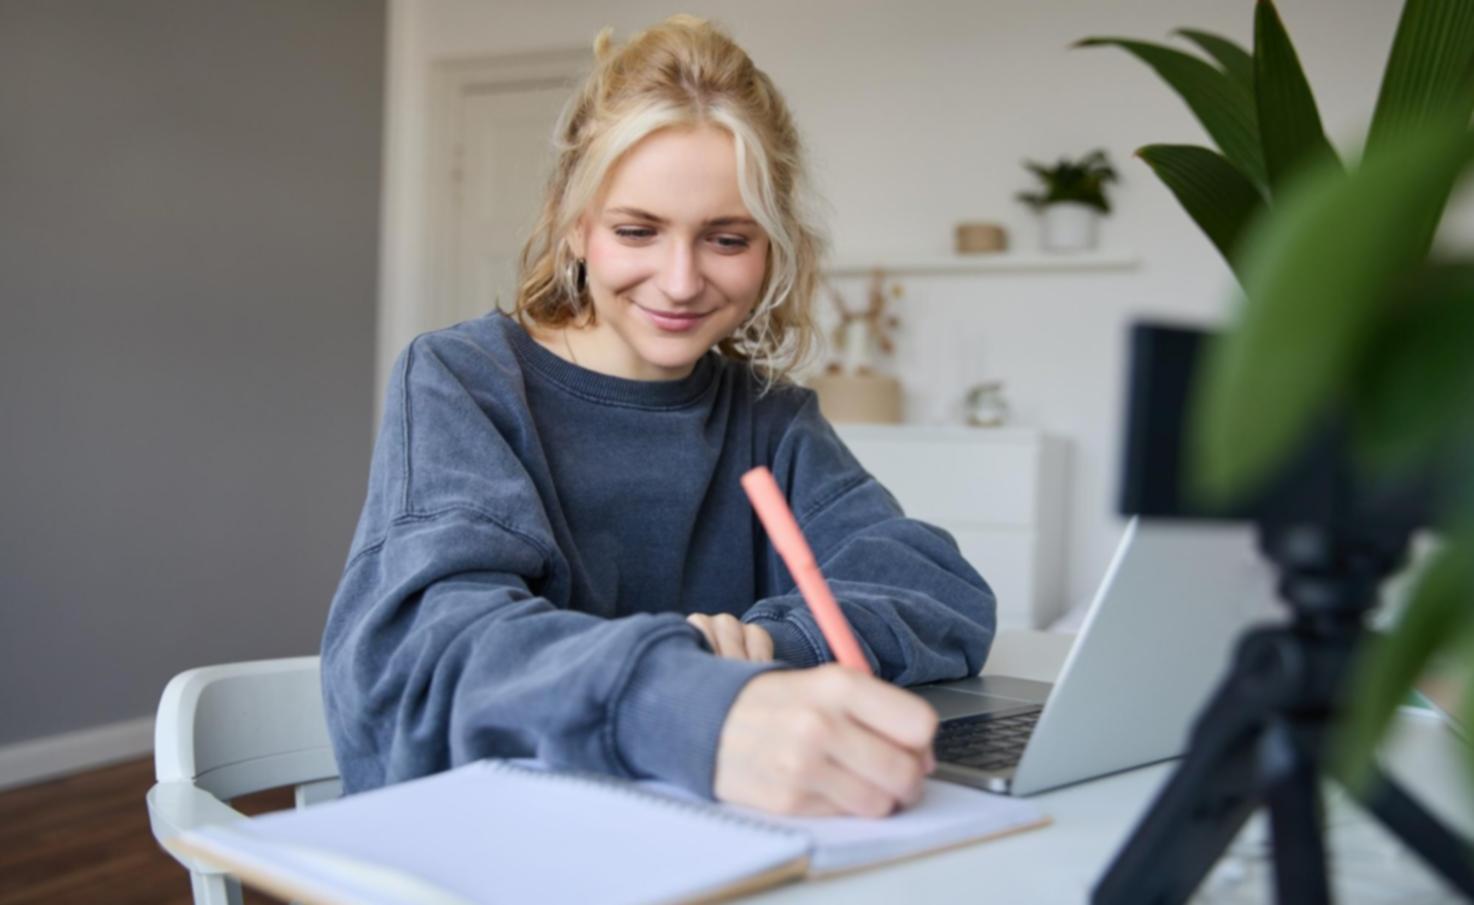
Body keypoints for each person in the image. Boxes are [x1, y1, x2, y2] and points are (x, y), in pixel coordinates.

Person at [321, 15, 995, 819]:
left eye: (726, 239)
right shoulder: (464, 380)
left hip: (707, 836)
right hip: (502, 833)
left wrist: (773, 642)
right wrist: (697, 695)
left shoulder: (770, 419)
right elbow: (436, 647)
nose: (679, 281)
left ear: (772, 246)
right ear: (575, 225)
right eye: (637, 230)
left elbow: (937, 590)